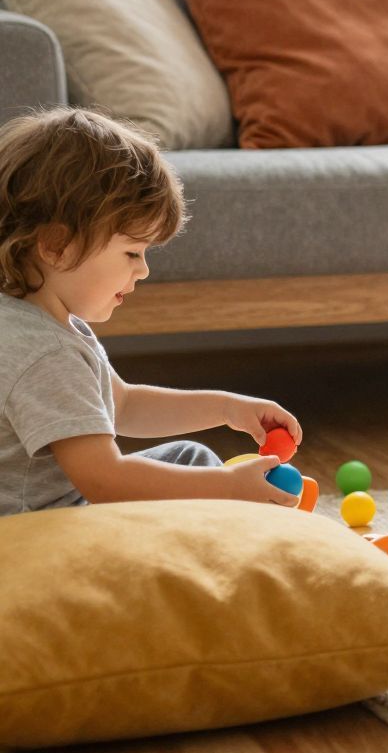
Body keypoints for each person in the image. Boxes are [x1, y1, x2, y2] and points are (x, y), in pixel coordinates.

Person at [0, 108, 303, 514]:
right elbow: (104, 479)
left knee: (188, 458)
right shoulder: (48, 355)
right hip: (43, 533)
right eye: (132, 252)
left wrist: (227, 408)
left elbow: (122, 405)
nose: (143, 270)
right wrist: (226, 487)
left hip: (56, 512)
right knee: (203, 481)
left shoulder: (34, 323)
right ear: (57, 245)